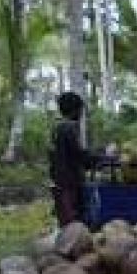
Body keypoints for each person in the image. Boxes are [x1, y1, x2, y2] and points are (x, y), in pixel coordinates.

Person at [48, 91, 89, 226]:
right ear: (75, 110)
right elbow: (78, 154)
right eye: (81, 111)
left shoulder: (56, 127)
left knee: (65, 221)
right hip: (69, 182)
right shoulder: (69, 127)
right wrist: (98, 157)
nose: (81, 115)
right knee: (74, 223)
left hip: (58, 181)